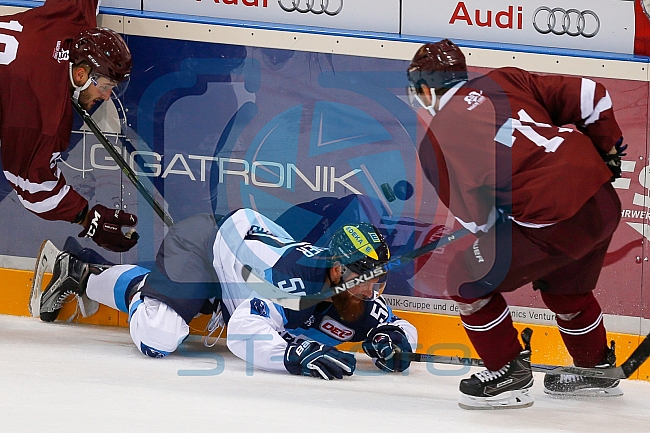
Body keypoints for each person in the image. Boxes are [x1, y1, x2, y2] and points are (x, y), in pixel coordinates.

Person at [406, 39, 625, 409]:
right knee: (565, 288)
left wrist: (502, 223)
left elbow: (477, 220)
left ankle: (507, 374)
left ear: (425, 89)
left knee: (465, 279)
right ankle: (595, 370)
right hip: (602, 202)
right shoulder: (507, 79)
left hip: (552, 219)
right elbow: (592, 95)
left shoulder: (435, 143)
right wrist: (608, 148)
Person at [38, 209, 418, 379]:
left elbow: (399, 326)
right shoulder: (288, 284)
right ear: (338, 271)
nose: (374, 291)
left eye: (379, 279)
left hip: (239, 265)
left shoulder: (355, 294)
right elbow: (241, 331)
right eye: (367, 279)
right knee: (158, 337)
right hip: (204, 244)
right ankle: (90, 275)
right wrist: (294, 355)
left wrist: (394, 339)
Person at [0, 0, 137, 252]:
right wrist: (88, 218)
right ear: (81, 75)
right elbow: (35, 190)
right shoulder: (42, 115)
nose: (107, 96)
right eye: (105, 86)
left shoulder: (72, 22)